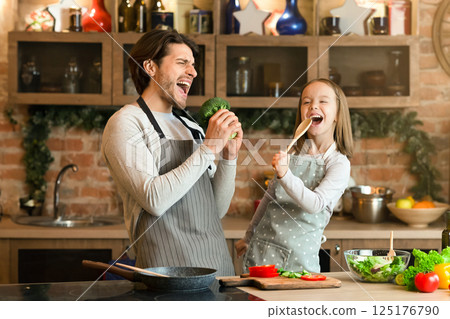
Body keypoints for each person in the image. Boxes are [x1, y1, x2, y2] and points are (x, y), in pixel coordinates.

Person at [101, 29, 243, 276]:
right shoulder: (127, 123)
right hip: (165, 275)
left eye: (193, 65)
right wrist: (209, 148)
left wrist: (229, 158)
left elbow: (215, 209)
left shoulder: (191, 126)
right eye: (182, 62)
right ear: (150, 67)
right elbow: (154, 200)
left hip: (218, 269)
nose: (193, 71)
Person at [235, 78, 353, 273]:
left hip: (299, 262)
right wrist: (247, 238)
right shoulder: (293, 156)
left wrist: (286, 175)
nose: (313, 105)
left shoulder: (338, 163)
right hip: (263, 252)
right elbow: (268, 200)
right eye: (306, 102)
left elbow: (315, 204)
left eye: (323, 101)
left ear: (338, 115)